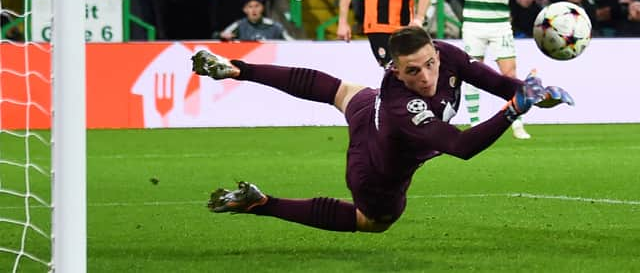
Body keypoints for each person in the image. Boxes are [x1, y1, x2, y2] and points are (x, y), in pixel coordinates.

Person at [190, 26, 573, 232]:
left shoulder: (448, 56)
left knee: (338, 90)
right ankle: (262, 203)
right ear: (394, 70)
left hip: (365, 110)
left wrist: (534, 94)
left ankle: (238, 69)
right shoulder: (402, 103)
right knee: (372, 224)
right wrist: (513, 111)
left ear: (436, 52)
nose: (425, 77)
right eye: (412, 71)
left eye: (429, 64)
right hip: (374, 173)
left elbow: (499, 84)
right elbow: (461, 146)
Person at [400, 0, 593, 139]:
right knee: (471, 72)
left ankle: (517, 122)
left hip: (500, 25)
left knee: (509, 73)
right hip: (473, 25)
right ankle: (474, 122)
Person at [219, 0, 293, 41]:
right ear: (245, 9)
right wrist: (222, 36)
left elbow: (292, 43)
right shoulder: (239, 25)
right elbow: (221, 36)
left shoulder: (274, 26)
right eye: (250, 6)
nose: (254, 10)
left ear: (262, 8)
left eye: (257, 6)